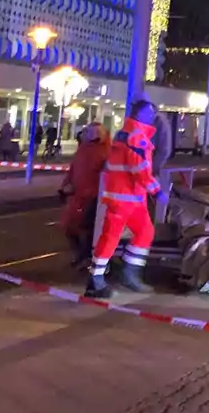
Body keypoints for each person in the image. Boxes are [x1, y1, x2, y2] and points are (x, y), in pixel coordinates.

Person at [86, 97, 162, 299]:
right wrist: (157, 191)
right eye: (152, 114)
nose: (154, 118)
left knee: (144, 232)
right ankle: (97, 280)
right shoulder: (137, 137)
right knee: (112, 237)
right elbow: (140, 169)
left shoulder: (126, 134)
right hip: (125, 199)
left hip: (128, 198)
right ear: (144, 115)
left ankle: (127, 274)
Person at [59, 122, 110, 267]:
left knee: (87, 229)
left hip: (94, 198)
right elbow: (73, 170)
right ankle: (81, 255)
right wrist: (63, 186)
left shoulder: (106, 152)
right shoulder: (83, 150)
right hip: (78, 196)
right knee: (70, 227)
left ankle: (86, 257)